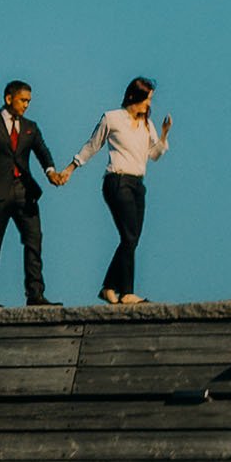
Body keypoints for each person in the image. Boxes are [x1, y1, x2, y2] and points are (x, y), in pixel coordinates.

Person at [66, 77, 171, 305]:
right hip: (118, 180)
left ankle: (109, 287)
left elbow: (153, 155)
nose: (149, 105)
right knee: (129, 236)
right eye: (147, 99)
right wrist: (71, 168)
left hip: (137, 184)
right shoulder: (112, 118)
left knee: (132, 239)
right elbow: (92, 145)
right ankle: (127, 292)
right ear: (134, 96)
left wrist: (163, 135)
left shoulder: (147, 125)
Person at [0, 81, 65, 308]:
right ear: (9, 98)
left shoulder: (30, 126)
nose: (26, 105)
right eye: (23, 100)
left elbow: (42, 151)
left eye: (29, 101)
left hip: (25, 192)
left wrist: (51, 171)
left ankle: (35, 294)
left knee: (34, 240)